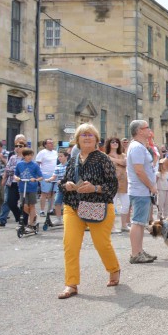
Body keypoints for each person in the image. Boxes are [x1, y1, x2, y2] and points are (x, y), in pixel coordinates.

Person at [56, 123, 121, 299]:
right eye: (83, 135)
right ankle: (71, 284)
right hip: (73, 207)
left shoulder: (103, 159)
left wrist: (95, 188)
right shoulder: (72, 160)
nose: (86, 137)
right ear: (77, 139)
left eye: (90, 135)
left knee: (101, 244)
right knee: (70, 246)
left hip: (98, 207)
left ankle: (114, 269)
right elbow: (61, 183)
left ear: (96, 139)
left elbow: (113, 187)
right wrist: (67, 186)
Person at [126, 121, 158, 264]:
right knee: (138, 222)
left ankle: (139, 251)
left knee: (140, 222)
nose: (149, 130)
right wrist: (151, 186)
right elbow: (139, 170)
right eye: (146, 128)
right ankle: (135, 253)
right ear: (139, 131)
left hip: (141, 190)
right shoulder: (137, 147)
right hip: (140, 190)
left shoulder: (139, 146)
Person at [13, 148, 42, 232]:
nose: (29, 157)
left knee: (32, 205)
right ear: (24, 156)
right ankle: (33, 216)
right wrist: (17, 178)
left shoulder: (35, 165)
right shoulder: (20, 165)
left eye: (31, 155)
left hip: (32, 188)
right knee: (24, 206)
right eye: (27, 155)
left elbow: (41, 177)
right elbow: (15, 175)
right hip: (23, 188)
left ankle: (31, 224)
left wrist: (35, 179)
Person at [34, 139, 58, 218]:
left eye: (52, 143)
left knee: (52, 193)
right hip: (45, 174)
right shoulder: (42, 152)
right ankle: (42, 210)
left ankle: (50, 209)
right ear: (45, 145)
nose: (52, 144)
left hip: (54, 174)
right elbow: (37, 164)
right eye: (50, 143)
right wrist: (38, 175)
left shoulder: (55, 152)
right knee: (44, 193)